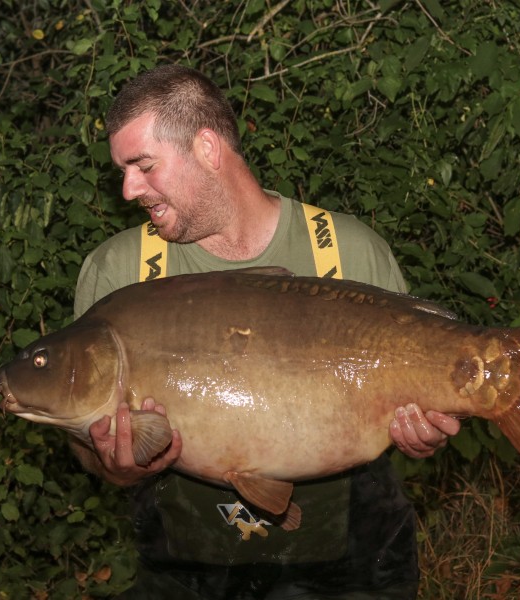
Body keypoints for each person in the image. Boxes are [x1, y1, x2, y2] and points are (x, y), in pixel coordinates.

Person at [69, 64, 460, 599]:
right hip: (191, 572)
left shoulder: (346, 250)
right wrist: (116, 466)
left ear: (207, 148)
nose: (128, 188)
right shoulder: (119, 272)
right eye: (124, 170)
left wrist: (426, 435)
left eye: (142, 165)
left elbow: (423, 406)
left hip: (350, 567)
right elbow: (89, 450)